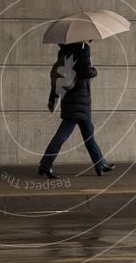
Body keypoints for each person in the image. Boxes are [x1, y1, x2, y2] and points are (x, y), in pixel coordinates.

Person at [39, 41, 115, 179]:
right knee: (64, 134)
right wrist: (95, 70)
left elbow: (60, 78)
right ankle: (46, 163)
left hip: (69, 98)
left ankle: (100, 164)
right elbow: (85, 72)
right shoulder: (83, 47)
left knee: (88, 133)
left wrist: (53, 98)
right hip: (80, 98)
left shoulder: (64, 51)